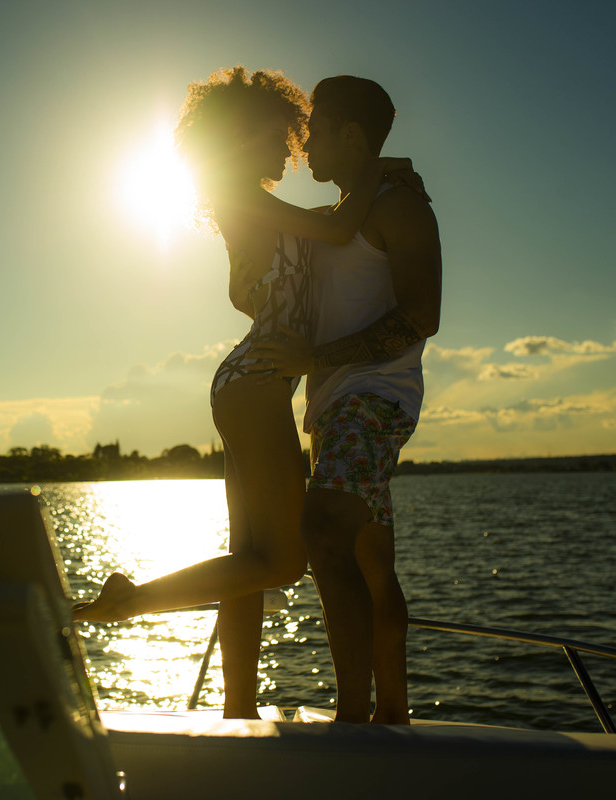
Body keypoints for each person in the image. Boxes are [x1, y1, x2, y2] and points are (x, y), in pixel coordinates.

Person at [72, 67, 418, 719]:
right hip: (256, 384)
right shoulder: (237, 190)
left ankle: (237, 707)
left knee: (250, 559)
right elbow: (341, 229)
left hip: (250, 385)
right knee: (283, 563)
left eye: (292, 135)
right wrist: (382, 170)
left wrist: (376, 172)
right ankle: (131, 599)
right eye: (276, 133)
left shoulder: (253, 204)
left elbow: (314, 234)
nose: (288, 147)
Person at [250, 76, 442, 724]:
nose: (305, 144)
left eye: (317, 129)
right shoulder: (344, 214)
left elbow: (421, 316)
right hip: (333, 406)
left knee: (323, 528)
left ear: (352, 135)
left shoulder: (400, 206)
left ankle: (353, 726)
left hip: (375, 395)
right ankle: (393, 717)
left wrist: (314, 361)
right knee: (369, 558)